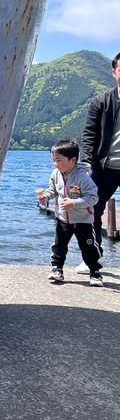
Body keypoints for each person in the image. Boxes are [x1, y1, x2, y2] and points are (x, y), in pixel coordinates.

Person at [37, 138, 102, 287]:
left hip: (83, 220)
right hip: (62, 218)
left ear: (72, 160)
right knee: (59, 245)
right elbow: (53, 190)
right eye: (54, 160)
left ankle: (95, 271)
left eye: (59, 160)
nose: (56, 164)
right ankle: (57, 268)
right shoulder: (55, 174)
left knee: (88, 247)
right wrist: (46, 196)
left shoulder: (83, 178)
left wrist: (74, 203)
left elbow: (93, 198)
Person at [79, 51, 120, 270]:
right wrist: (86, 163)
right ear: (114, 72)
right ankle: (91, 258)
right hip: (105, 168)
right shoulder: (101, 103)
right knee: (92, 212)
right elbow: (89, 136)